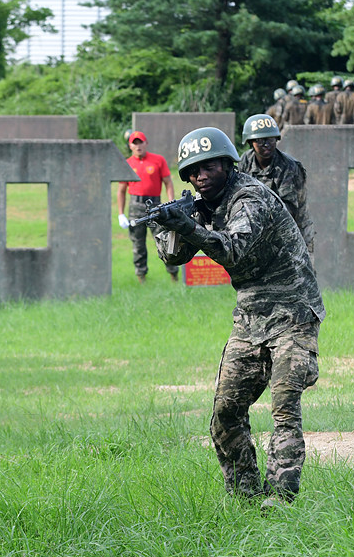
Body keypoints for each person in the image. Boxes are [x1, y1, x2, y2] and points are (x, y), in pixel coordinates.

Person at [152, 127, 325, 505]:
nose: (201, 176)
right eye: (193, 171)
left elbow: (233, 251)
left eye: (209, 166)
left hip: (293, 312)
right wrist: (166, 228)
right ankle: (244, 496)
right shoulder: (205, 205)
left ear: (228, 163)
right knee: (225, 414)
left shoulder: (250, 197)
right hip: (250, 317)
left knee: (284, 408)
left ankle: (280, 499)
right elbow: (174, 258)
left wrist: (188, 226)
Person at [238, 114, 315, 256]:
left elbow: (288, 209)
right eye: (260, 140)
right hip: (259, 234)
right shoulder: (245, 162)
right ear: (250, 142)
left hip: (293, 234)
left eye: (270, 139)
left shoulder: (288, 167)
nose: (266, 144)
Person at [117, 131, 179, 283]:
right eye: (134, 143)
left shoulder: (158, 160)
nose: (138, 146)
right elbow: (121, 190)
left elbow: (168, 183)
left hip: (155, 205)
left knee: (164, 239)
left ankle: (173, 275)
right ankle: (141, 277)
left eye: (140, 142)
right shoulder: (127, 164)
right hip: (135, 206)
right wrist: (120, 214)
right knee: (138, 243)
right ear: (130, 146)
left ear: (146, 143)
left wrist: (171, 203)